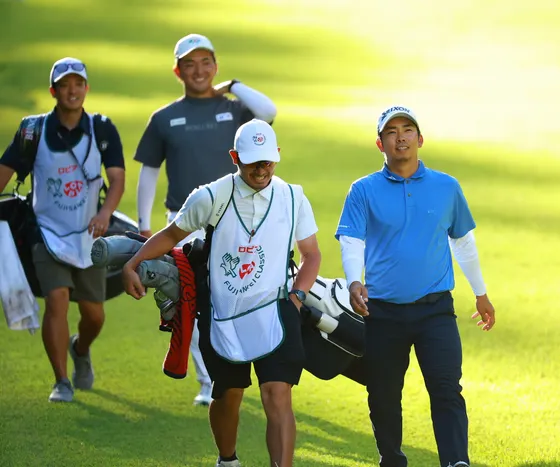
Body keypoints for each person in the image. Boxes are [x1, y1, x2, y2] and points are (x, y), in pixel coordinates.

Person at [123, 119, 321, 467]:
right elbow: (170, 235)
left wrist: (296, 298)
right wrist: (133, 263)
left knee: (278, 395)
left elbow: (311, 254)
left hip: (276, 312)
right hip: (222, 314)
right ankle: (227, 460)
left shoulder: (293, 197)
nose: (261, 169)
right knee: (229, 394)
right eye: (252, 162)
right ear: (235, 157)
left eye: (267, 161)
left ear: (277, 155)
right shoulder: (210, 196)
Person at [335, 106, 497, 467]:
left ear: (420, 139)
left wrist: (480, 293)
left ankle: (456, 461)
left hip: (434, 309)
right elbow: (351, 240)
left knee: (446, 388)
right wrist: (354, 280)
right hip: (382, 311)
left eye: (408, 129)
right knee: (383, 395)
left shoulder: (446, 187)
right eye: (391, 132)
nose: (401, 137)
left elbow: (462, 242)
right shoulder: (363, 190)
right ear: (380, 143)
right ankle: (392, 460)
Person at [133, 33, 278, 406]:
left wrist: (234, 86)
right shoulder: (164, 118)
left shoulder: (236, 110)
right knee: (194, 300)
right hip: (185, 223)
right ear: (177, 71)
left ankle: (245, 371)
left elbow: (268, 112)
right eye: (189, 64)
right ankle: (208, 381)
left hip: (238, 221)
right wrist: (144, 223)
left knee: (242, 296)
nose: (198, 71)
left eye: (205, 62)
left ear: (215, 66)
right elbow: (149, 171)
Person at [0, 57, 126, 403]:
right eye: (64, 85)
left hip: (90, 236)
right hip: (46, 233)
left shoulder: (102, 129)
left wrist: (105, 213)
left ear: (86, 88)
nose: (72, 90)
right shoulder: (32, 131)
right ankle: (61, 381)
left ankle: (80, 348)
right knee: (57, 301)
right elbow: (5, 172)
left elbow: (117, 179)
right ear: (53, 91)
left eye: (78, 84)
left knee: (94, 315)